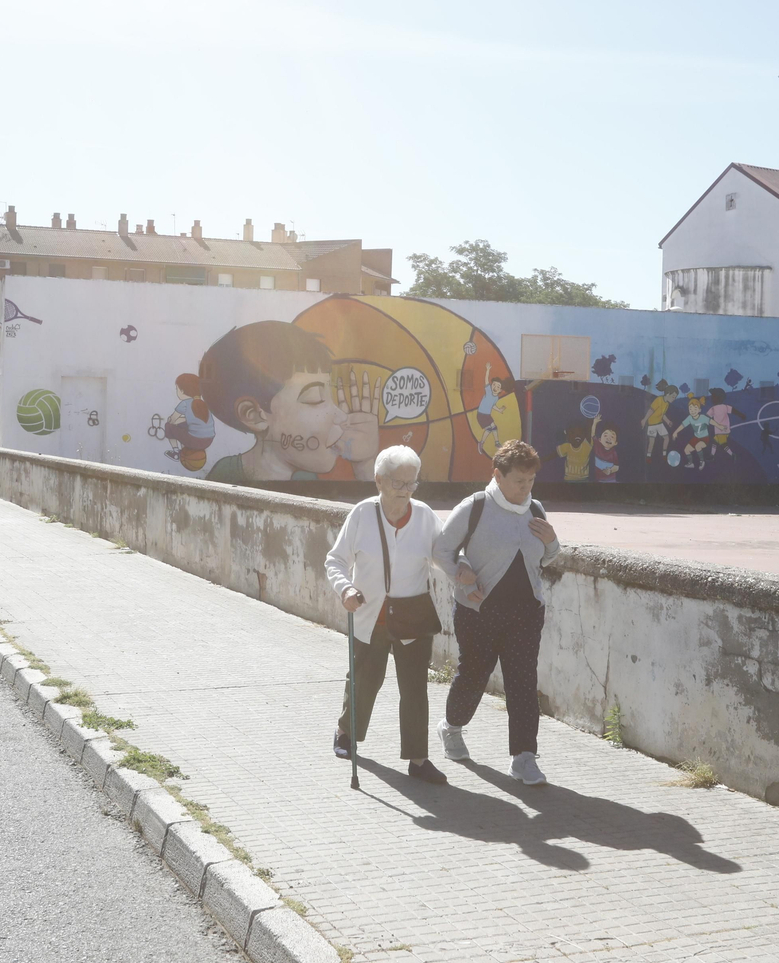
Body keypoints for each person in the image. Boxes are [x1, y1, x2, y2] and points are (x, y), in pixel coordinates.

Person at [433, 440, 561, 785]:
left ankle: (524, 757)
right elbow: (442, 550)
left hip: (527, 613)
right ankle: (451, 727)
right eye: (519, 480)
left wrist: (552, 540)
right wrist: (461, 577)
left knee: (523, 683)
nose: (526, 488)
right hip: (479, 611)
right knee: (474, 676)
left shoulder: (536, 509)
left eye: (531, 480)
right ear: (498, 475)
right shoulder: (475, 506)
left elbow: (547, 558)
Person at [325, 445, 448, 784]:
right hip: (370, 613)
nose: (405, 491)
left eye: (412, 483)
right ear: (378, 480)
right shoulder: (363, 514)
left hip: (413, 616)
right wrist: (345, 589)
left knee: (415, 688)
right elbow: (335, 560)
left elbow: (444, 556)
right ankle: (346, 731)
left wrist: (464, 570)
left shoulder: (424, 516)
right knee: (364, 680)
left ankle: (418, 759)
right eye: (398, 483)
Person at [196, 321, 379, 483]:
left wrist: (363, 466)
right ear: (254, 415)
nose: (341, 416)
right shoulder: (225, 476)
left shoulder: (305, 477)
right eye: (316, 398)